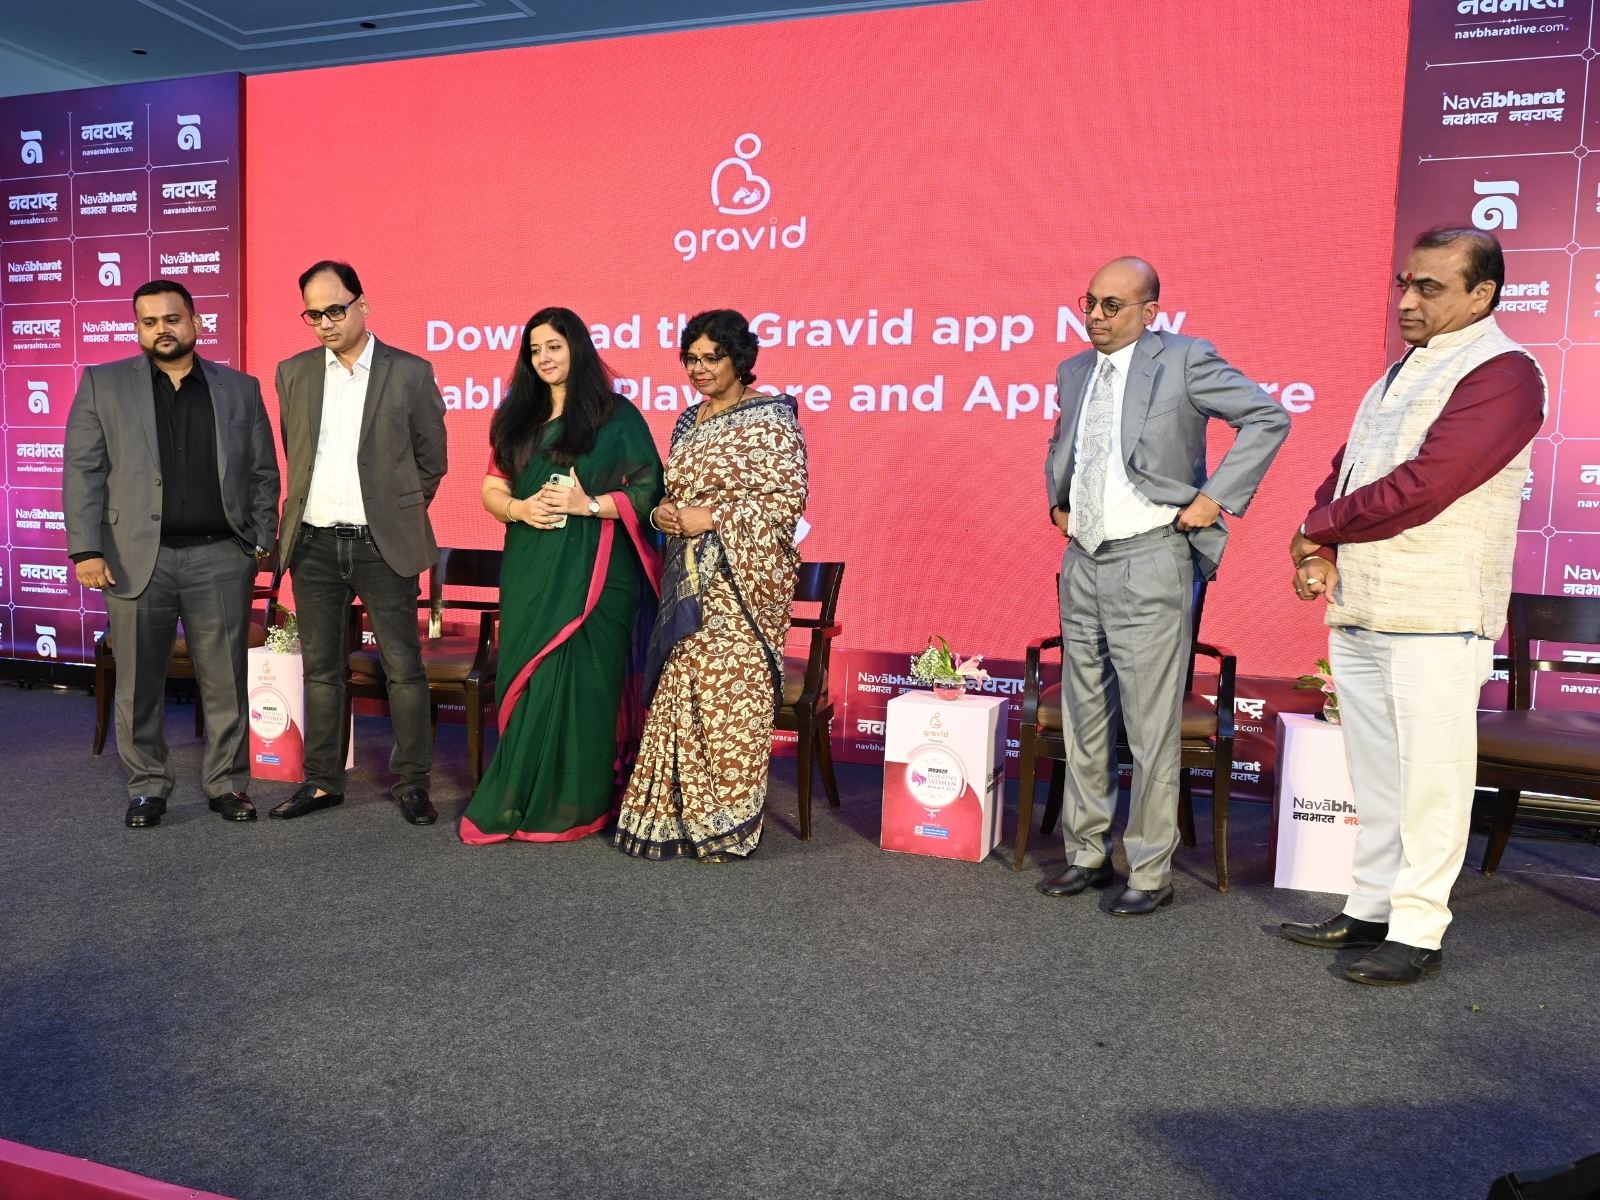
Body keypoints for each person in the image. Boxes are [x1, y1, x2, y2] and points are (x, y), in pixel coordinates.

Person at [1284, 227, 1545, 986]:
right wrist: (1319, 547)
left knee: (1430, 777)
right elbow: (1349, 470)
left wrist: (1314, 529)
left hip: (1439, 613)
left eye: (1429, 287)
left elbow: (1428, 486)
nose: (1406, 300)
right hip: (1365, 606)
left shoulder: (1505, 373)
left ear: (1481, 295)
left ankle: (1420, 927)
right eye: (1405, 283)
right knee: (1376, 776)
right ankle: (1368, 906)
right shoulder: (1398, 373)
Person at [1041, 257, 1289, 914]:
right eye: (1089, 302)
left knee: (1150, 728)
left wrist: (1216, 499)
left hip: (1151, 560)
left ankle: (1149, 870)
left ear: (1151, 312)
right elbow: (1067, 448)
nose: (1095, 315)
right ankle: (1086, 855)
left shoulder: (1184, 359)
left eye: (1112, 305)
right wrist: (1056, 504)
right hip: (1082, 562)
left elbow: (1267, 417)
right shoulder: (1073, 371)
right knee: (1084, 718)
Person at [63, 280, 280, 828]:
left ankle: (228, 785)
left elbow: (262, 473)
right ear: (137, 328)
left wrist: (260, 539)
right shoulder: (102, 385)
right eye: (148, 321)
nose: (161, 329)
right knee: (137, 683)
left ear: (195, 322)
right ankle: (147, 786)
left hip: (220, 557)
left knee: (226, 680)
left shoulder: (240, 389)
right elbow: (83, 473)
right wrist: (86, 548)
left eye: (171, 319)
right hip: (137, 560)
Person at [459, 308, 664, 844]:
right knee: (532, 674)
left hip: (598, 575)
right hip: (531, 565)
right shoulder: (517, 416)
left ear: (577, 348)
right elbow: (492, 489)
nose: (544, 358)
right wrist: (518, 511)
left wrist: (587, 503)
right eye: (535, 350)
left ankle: (580, 802)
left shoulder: (615, 415)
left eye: (554, 346)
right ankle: (520, 792)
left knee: (586, 683)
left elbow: (649, 491)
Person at [614, 310, 808, 861]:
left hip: (744, 583)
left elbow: (784, 503)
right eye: (691, 359)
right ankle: (674, 818)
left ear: (739, 359)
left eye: (711, 358)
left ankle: (728, 824)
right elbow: (666, 496)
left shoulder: (771, 420)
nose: (699, 369)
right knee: (687, 692)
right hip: (688, 581)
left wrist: (713, 515)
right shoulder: (687, 421)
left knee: (733, 698)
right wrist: (665, 518)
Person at [271, 261, 448, 825]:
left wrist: (393, 511)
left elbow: (431, 460)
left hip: (383, 546)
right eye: (313, 314)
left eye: (335, 310)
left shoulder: (410, 372)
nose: (324, 323)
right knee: (321, 670)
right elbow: (296, 456)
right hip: (314, 547)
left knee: (403, 668)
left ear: (362, 304)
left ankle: (413, 783)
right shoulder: (292, 373)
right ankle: (323, 782)